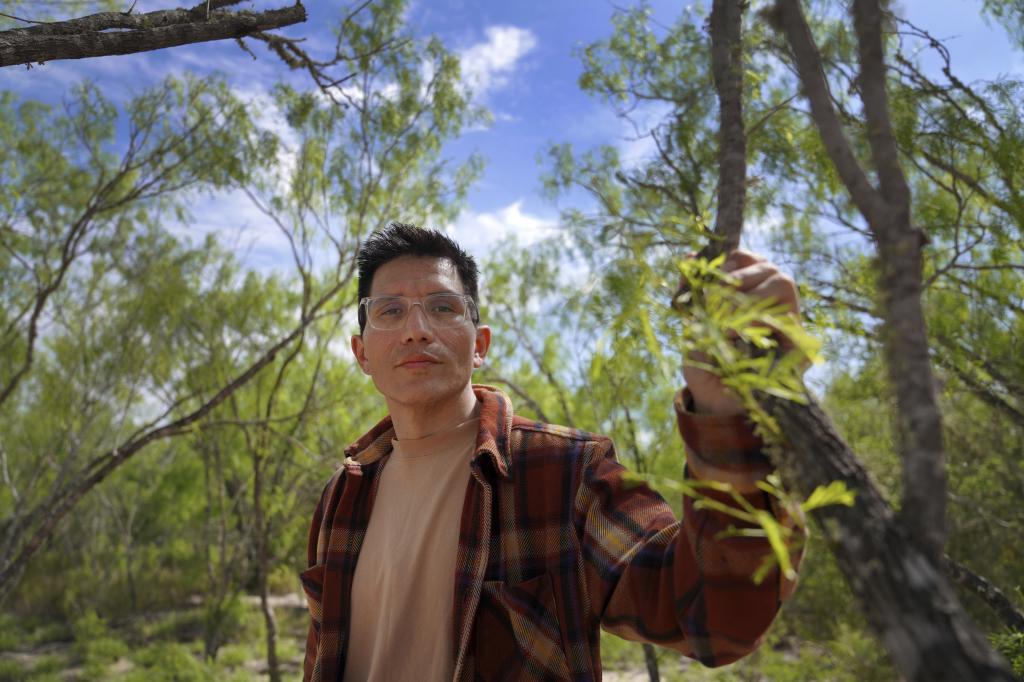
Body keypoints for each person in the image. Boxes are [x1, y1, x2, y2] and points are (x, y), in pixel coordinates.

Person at [300, 222, 806, 681]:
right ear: (362, 353)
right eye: (390, 310)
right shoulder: (342, 498)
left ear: (480, 344)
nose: (417, 328)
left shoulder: (566, 473)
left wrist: (729, 417)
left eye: (442, 306)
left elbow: (711, 617)